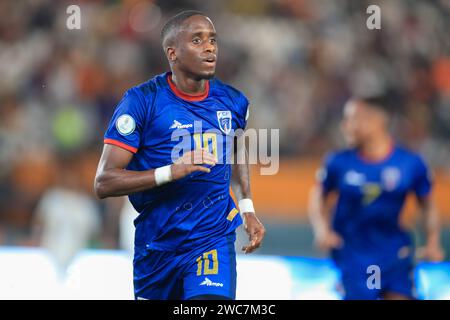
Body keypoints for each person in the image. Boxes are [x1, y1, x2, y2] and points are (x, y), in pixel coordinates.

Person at [94, 10, 265, 300]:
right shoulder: (142, 101)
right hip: (157, 246)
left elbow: (237, 152)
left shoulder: (234, 102)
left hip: (212, 239)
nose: (210, 47)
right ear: (173, 53)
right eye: (197, 40)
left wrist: (247, 207)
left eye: (212, 40)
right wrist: (171, 171)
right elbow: (104, 182)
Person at [309, 95, 444, 300]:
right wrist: (322, 230)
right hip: (353, 254)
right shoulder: (338, 162)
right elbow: (318, 196)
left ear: (375, 121)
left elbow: (427, 203)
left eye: (351, 119)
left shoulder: (410, 163)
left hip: (395, 253)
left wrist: (433, 242)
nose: (345, 126)